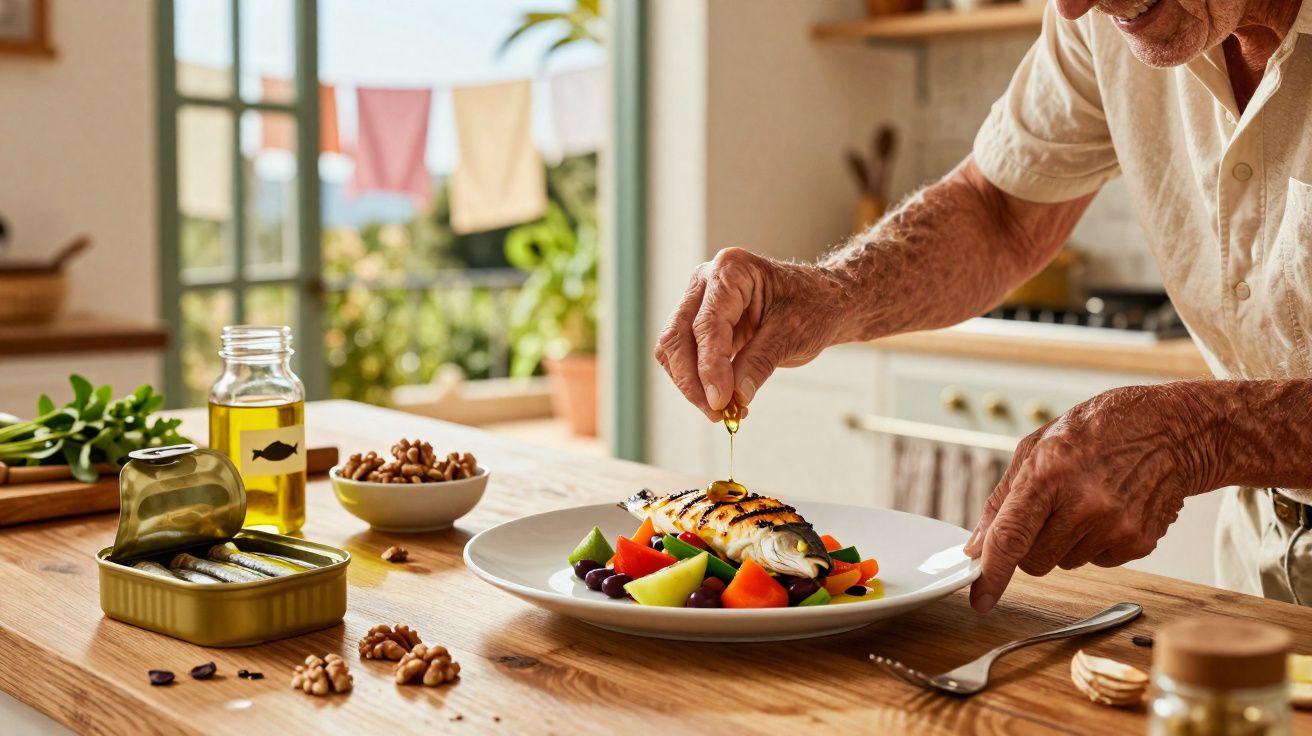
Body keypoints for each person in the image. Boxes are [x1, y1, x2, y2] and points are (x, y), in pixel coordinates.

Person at [654, 0, 1312, 612]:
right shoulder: (1107, 21)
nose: (1074, 6)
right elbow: (999, 212)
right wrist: (833, 292)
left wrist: (1207, 434)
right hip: (1258, 559)